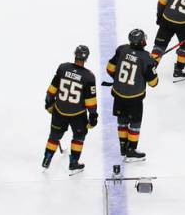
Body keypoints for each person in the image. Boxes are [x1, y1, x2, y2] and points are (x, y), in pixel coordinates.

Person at [42, 45, 97, 174]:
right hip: (77, 114)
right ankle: (73, 163)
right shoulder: (89, 76)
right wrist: (93, 116)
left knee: (54, 136)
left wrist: (49, 104)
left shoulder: (63, 68)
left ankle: (46, 160)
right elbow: (90, 101)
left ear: (75, 55)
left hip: (59, 110)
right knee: (79, 136)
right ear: (86, 58)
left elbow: (51, 90)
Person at [105, 29, 158, 163]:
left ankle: (123, 147)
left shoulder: (121, 49)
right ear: (141, 41)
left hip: (118, 93)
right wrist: (152, 67)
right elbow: (153, 83)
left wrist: (118, 79)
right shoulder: (146, 57)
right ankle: (131, 151)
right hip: (134, 97)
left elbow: (110, 68)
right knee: (135, 124)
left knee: (122, 121)